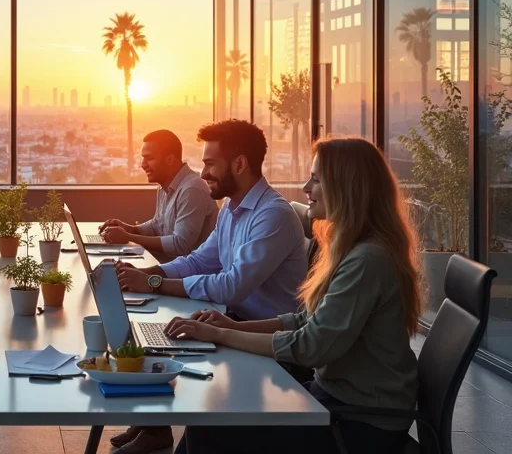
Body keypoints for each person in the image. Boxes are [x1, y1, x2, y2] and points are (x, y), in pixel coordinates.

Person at [162, 136, 423, 454]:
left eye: (316, 179)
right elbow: (304, 320)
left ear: (347, 188)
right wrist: (229, 328)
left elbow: (311, 346)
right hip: (336, 398)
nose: (305, 188)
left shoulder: (368, 258)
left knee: (212, 428)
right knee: (208, 418)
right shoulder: (352, 248)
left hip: (361, 422)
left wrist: (219, 333)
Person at [110, 120, 308, 454]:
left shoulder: (272, 215)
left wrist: (156, 283)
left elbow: (231, 286)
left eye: (210, 163)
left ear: (240, 164)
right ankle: (155, 429)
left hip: (267, 345)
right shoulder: (232, 208)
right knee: (157, 334)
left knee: (201, 421)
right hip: (230, 323)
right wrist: (152, 272)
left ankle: (164, 433)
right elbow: (200, 261)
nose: (203, 173)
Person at [98, 129, 217, 262]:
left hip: (188, 276)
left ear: (170, 160)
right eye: (143, 158)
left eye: (149, 158)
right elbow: (157, 225)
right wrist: (131, 229)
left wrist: (128, 237)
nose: (143, 165)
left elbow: (180, 245)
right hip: (170, 266)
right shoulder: (164, 186)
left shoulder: (192, 189)